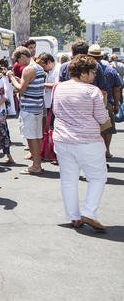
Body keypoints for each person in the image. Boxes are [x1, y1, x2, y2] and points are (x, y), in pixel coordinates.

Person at [52, 55, 109, 232]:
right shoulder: (92, 91)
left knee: (68, 179)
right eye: (92, 72)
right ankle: (89, 212)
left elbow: (55, 111)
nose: (94, 76)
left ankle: (74, 217)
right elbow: (101, 118)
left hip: (63, 139)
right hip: (88, 141)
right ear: (83, 72)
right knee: (97, 177)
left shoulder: (59, 88)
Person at [8, 46, 46, 175]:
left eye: (17, 60)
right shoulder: (39, 67)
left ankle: (36, 165)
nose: (17, 63)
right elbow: (29, 84)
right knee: (37, 136)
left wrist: (12, 79)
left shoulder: (28, 69)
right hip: (38, 106)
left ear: (23, 56)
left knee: (31, 137)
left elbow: (21, 89)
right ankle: (37, 163)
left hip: (29, 107)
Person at [87, 45, 122, 159]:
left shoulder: (84, 69)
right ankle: (106, 150)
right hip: (105, 103)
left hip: (88, 103)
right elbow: (117, 88)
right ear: (101, 56)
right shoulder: (110, 70)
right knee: (107, 129)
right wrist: (116, 104)